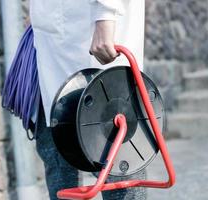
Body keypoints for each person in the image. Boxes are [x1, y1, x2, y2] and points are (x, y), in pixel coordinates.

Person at [30, 0, 146, 199]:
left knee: (118, 160)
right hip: (53, 39)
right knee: (58, 156)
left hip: (93, 36)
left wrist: (106, 16)